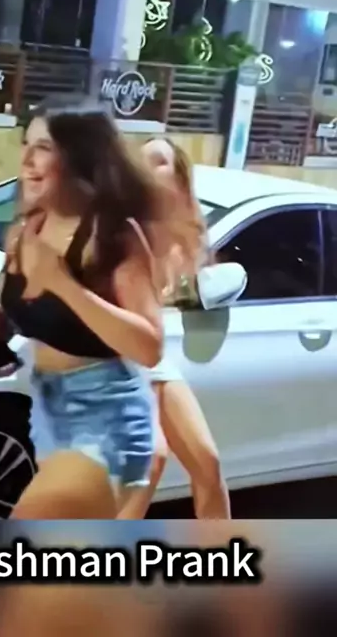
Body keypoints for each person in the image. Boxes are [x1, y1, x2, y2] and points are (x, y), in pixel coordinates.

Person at [0, 96, 167, 520]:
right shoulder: (29, 227)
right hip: (47, 410)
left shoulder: (113, 236)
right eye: (26, 144)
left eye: (44, 148)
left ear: (79, 158)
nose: (27, 160)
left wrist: (65, 284)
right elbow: (8, 303)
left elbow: (150, 347)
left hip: (106, 415)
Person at [117, 137, 231, 520]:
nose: (146, 169)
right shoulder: (118, 227)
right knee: (150, 463)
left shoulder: (183, 237)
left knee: (208, 462)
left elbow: (189, 289)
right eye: (141, 162)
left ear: (178, 176)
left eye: (158, 162)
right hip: (117, 353)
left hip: (154, 359)